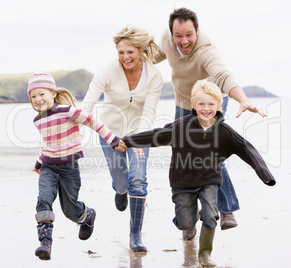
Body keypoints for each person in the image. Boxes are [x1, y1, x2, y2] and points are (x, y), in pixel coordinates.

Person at [117, 79, 276, 267]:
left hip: (209, 181)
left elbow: (246, 149)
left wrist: (265, 174)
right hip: (182, 183)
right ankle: (188, 220)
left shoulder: (224, 131)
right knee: (185, 223)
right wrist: (128, 141)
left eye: (211, 104)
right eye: (201, 104)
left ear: (219, 106)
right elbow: (155, 135)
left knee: (210, 215)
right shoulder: (180, 127)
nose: (206, 108)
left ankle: (205, 256)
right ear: (193, 105)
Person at [153, 7, 266, 234]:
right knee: (183, 153)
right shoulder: (166, 39)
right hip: (184, 100)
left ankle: (226, 209)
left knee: (209, 154)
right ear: (171, 33)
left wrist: (242, 99)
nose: (184, 41)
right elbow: (153, 56)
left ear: (197, 30)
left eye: (189, 35)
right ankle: (188, 214)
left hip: (212, 100)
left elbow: (223, 75)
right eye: (179, 36)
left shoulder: (206, 51)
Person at [81, 26, 163, 252]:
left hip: (140, 133)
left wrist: (139, 139)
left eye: (130, 52)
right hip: (110, 134)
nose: (125, 57)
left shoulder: (154, 76)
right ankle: (120, 191)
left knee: (138, 179)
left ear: (141, 51)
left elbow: (149, 113)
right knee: (121, 181)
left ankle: (135, 236)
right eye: (121, 52)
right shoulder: (107, 70)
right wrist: (73, 124)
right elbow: (88, 104)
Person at [27, 72, 121, 260]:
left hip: (69, 168)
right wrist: (39, 162)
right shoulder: (38, 121)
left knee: (70, 210)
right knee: (43, 200)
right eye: (33, 96)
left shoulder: (67, 111)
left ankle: (86, 216)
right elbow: (48, 143)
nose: (37, 99)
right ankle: (45, 242)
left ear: (52, 93)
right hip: (48, 167)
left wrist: (112, 140)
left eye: (41, 94)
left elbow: (93, 122)